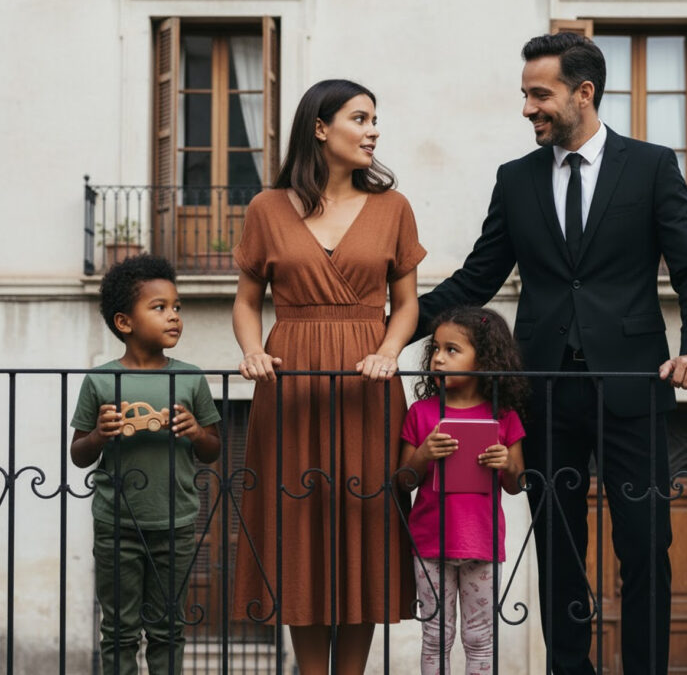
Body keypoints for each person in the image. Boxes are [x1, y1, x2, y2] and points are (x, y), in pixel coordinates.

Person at [416, 33, 687, 675]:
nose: (528, 107)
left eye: (539, 94)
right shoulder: (516, 179)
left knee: (645, 546)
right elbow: (476, 279)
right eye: (525, 94)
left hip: (633, 387)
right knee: (558, 547)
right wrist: (388, 332)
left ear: (583, 93)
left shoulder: (651, 166)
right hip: (545, 393)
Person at [231, 79, 426, 674]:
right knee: (298, 528)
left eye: (375, 120)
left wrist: (391, 350)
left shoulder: (394, 207)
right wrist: (250, 353)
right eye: (360, 119)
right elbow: (246, 302)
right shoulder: (266, 207)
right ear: (321, 128)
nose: (373, 131)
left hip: (368, 382)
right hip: (290, 383)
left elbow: (410, 302)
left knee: (365, 524)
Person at [70, 254, 221, 675]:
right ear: (124, 322)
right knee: (118, 628)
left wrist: (195, 432)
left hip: (175, 522)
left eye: (177, 308)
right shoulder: (100, 380)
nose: (174, 316)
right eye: (160, 308)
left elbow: (213, 449)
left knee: (167, 628)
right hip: (116, 523)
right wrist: (100, 434)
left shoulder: (190, 378)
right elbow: (79, 452)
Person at [400, 306, 527, 675]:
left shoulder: (505, 417)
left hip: (481, 544)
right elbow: (403, 481)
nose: (438, 358)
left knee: (480, 638)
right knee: (435, 636)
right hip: (428, 543)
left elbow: (517, 485)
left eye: (451, 350)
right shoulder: (421, 413)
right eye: (435, 349)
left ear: (484, 358)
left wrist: (507, 462)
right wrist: (424, 455)